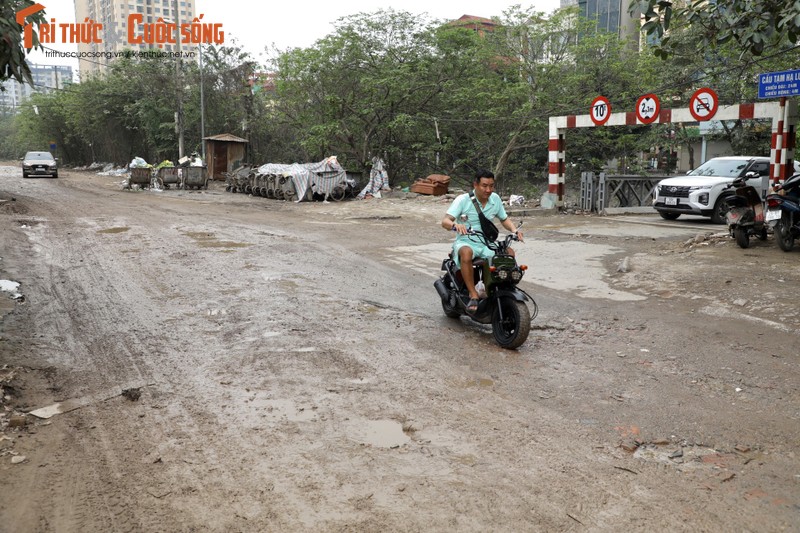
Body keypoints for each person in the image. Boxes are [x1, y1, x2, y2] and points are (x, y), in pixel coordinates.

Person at [441, 170, 523, 313]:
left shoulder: (495, 199)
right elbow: (445, 221)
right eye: (484, 186)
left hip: (486, 242)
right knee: (466, 253)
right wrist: (455, 225)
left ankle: (497, 287)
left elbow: (504, 219)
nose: (488, 190)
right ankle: (473, 294)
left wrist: (514, 231)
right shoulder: (462, 200)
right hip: (466, 240)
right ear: (475, 185)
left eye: (491, 186)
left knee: (508, 253)